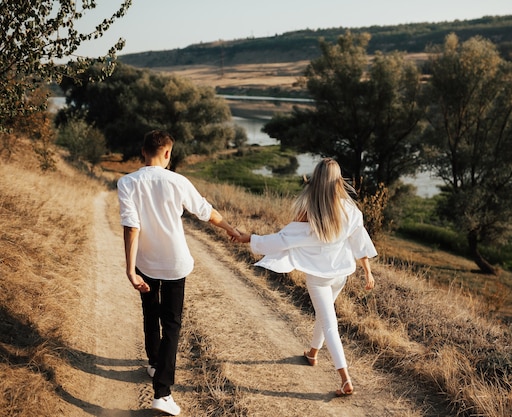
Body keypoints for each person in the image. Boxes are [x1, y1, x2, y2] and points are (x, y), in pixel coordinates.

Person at [117, 130, 240, 415]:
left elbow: (131, 227)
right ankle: (162, 393)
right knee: (171, 324)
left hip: (144, 262)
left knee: (150, 312)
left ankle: (154, 363)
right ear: (168, 154)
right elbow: (206, 212)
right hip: (174, 263)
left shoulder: (127, 183)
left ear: (142, 151)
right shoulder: (177, 181)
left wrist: (130, 270)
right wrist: (231, 229)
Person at [232, 158, 376, 397]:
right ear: (339, 181)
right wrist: (368, 271)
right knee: (325, 314)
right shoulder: (350, 211)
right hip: (341, 274)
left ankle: (345, 379)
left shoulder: (309, 213)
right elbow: (360, 242)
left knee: (329, 323)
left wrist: (251, 238)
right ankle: (312, 353)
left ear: (316, 180)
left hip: (319, 277)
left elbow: (281, 240)